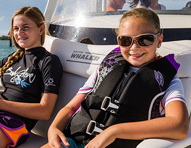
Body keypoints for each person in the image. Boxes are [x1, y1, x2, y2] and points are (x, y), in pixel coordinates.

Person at [42, 8, 189, 148]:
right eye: (126, 40)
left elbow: (180, 126)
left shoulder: (167, 80)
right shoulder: (107, 67)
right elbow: (71, 107)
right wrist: (54, 128)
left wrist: (114, 131)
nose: (134, 47)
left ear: (159, 40)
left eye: (145, 40)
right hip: (74, 142)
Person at [0, 6, 63, 148]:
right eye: (16, 28)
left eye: (25, 27)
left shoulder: (48, 61)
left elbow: (45, 111)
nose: (19, 33)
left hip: (11, 123)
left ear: (41, 29)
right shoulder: (13, 58)